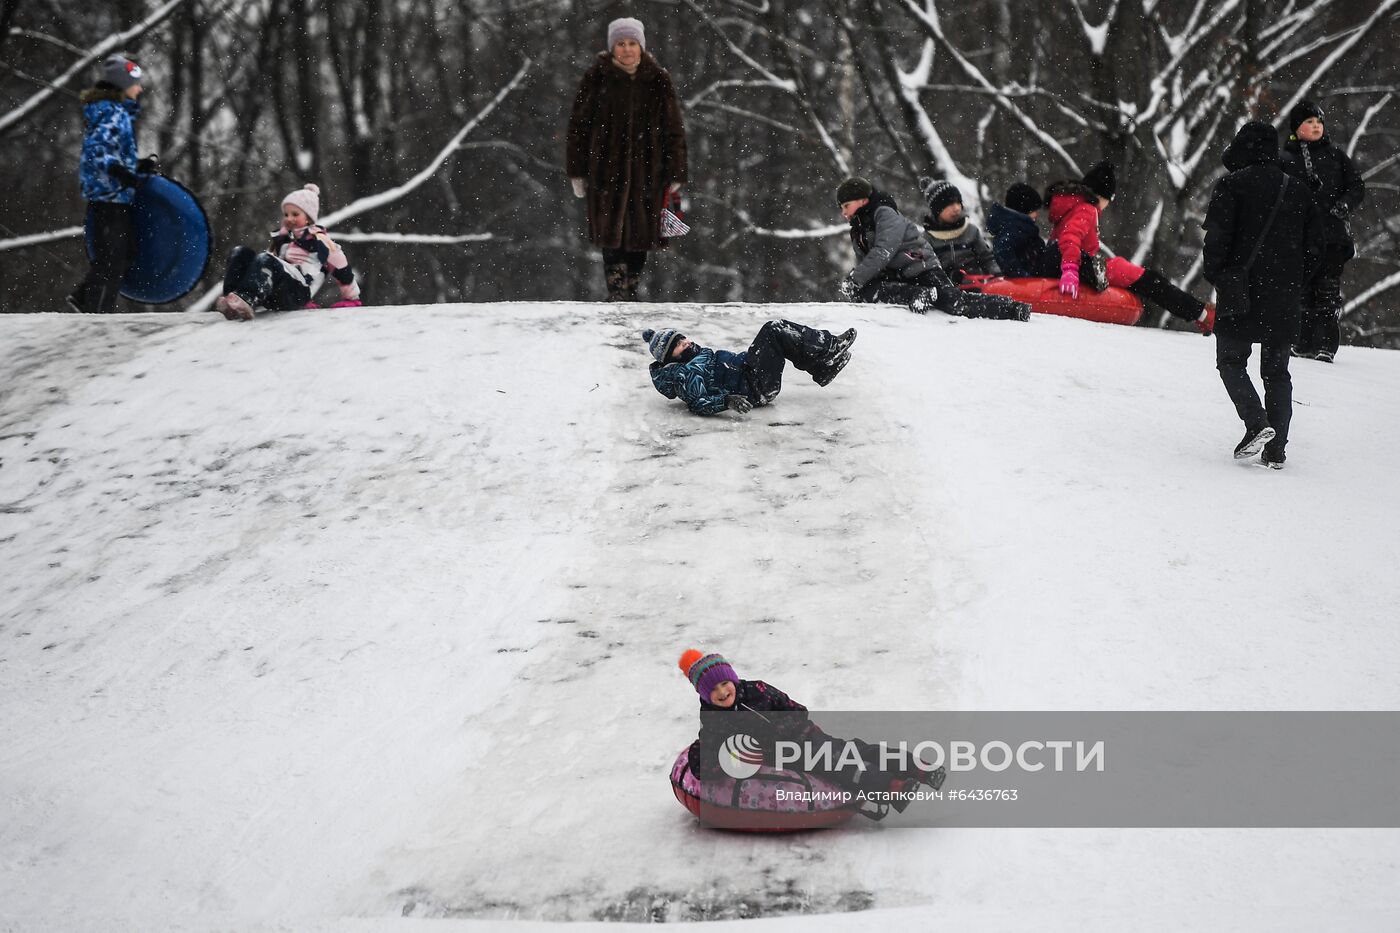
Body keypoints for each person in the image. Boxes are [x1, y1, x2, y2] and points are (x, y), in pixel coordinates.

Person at [678, 649, 945, 812]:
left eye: (725, 683)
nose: (723, 692)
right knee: (839, 763)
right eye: (713, 689)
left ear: (733, 679)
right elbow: (705, 760)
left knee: (853, 749)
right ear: (704, 694)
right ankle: (892, 787)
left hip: (805, 734)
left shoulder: (758, 689)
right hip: (784, 755)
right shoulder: (714, 720)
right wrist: (732, 760)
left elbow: (795, 706)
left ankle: (918, 767)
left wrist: (789, 725)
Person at [1202, 121, 1323, 470]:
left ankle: (1256, 423)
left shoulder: (1232, 185)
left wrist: (1220, 276)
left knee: (1231, 361)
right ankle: (1277, 450)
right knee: (1276, 372)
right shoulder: (1299, 190)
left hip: (1240, 287)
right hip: (1284, 294)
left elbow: (1216, 240)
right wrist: (1296, 281)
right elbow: (1316, 248)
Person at [566, 17, 688, 301]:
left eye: (632, 43)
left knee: (641, 234)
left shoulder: (658, 79)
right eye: (620, 44)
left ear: (641, 46)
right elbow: (578, 128)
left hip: (650, 171)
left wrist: (677, 172)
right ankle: (617, 290)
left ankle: (630, 288)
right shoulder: (595, 78)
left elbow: (674, 128)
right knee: (611, 232)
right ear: (612, 47)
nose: (627, 49)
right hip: (604, 170)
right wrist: (577, 171)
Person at [1040, 160, 1214, 332]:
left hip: (1081, 264)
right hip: (1085, 266)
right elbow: (1070, 237)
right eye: (1110, 199)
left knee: (1148, 280)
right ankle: (1203, 315)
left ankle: (1200, 312)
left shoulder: (1070, 208)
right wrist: (1070, 269)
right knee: (1152, 282)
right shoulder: (1087, 209)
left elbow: (1063, 239)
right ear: (1103, 196)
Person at [835, 176, 1029, 321]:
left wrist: (855, 279)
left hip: (920, 266)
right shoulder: (858, 229)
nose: (844, 213)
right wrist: (856, 282)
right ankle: (916, 294)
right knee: (864, 290)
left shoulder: (884, 213)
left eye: (846, 206)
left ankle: (1012, 309)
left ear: (863, 200)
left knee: (953, 302)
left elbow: (884, 250)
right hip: (898, 277)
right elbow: (867, 262)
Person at [65, 54, 158, 314]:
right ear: (122, 84)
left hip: (115, 193)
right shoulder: (112, 112)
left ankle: (85, 300)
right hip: (109, 195)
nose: (139, 88)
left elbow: (112, 152)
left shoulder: (116, 112)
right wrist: (121, 173)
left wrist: (136, 166)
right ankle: (96, 310)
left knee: (124, 253)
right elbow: (98, 151)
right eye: (135, 83)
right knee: (114, 257)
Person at [1280, 100, 1367, 363]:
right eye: (1309, 122)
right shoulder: (1286, 159)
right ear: (1297, 127)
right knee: (1302, 291)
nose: (1316, 126)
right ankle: (1303, 342)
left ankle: (1327, 345)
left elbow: (1356, 186)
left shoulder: (1336, 156)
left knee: (1327, 292)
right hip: (1299, 237)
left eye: (1319, 122)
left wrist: (1343, 205)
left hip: (1331, 235)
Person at [214, 183, 362, 321]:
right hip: (277, 293)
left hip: (298, 294)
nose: (289, 218)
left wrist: (352, 299)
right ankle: (233, 299)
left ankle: (246, 298)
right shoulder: (286, 241)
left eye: (295, 214)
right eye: (286, 214)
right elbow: (265, 267)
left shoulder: (320, 241)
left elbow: (341, 268)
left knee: (266, 259)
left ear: (309, 218)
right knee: (241, 252)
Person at [642, 321, 855, 415]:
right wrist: (727, 401)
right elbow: (699, 403)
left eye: (683, 338)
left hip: (750, 374)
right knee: (773, 330)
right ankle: (830, 347)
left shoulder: (692, 359)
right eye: (679, 345)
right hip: (753, 386)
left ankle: (823, 368)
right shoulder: (685, 374)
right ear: (672, 356)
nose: (687, 342)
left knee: (779, 337)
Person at [918, 178, 1000, 278]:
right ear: (937, 210)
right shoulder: (927, 239)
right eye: (950, 204)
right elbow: (927, 270)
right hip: (946, 290)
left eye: (958, 203)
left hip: (978, 287)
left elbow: (987, 258)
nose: (956, 208)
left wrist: (996, 272)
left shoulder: (971, 231)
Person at [985, 183, 1046, 278]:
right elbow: (1004, 253)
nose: (1036, 214)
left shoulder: (1023, 228)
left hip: (1032, 279)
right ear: (1023, 210)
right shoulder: (1013, 230)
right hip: (1023, 284)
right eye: (1033, 210)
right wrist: (1022, 276)